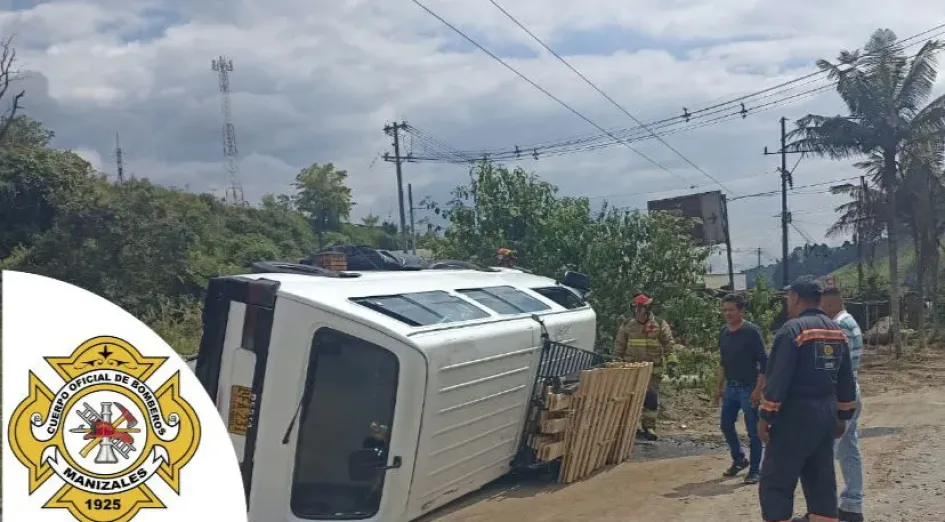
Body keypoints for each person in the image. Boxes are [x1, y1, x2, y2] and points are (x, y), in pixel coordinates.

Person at [757, 276, 858, 522]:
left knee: (776, 484)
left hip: (793, 417)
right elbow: (846, 380)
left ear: (796, 298)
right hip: (825, 418)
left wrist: (765, 416)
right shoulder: (836, 331)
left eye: (788, 298)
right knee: (821, 483)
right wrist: (843, 416)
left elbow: (777, 379)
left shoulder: (792, 330)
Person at [821, 284, 865, 522]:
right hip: (852, 392)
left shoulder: (839, 327)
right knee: (849, 449)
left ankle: (824, 510)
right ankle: (852, 505)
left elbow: (836, 367)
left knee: (828, 452)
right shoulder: (851, 322)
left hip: (842, 396)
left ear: (829, 304)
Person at [714, 293, 767, 484]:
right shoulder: (724, 332)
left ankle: (755, 470)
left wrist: (758, 390)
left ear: (741, 310)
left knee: (753, 430)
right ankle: (739, 459)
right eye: (724, 310)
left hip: (749, 387)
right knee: (726, 425)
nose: (727, 313)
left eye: (731, 310)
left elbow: (764, 362)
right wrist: (718, 387)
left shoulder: (752, 332)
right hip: (732, 387)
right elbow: (723, 362)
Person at [613, 293, 679, 441]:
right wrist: (617, 362)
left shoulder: (659, 324)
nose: (638, 311)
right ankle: (630, 427)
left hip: (652, 369)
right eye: (636, 308)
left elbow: (668, 343)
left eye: (641, 308)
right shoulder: (627, 325)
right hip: (631, 369)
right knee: (630, 398)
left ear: (648, 309)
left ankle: (649, 427)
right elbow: (619, 346)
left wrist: (671, 362)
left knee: (650, 398)